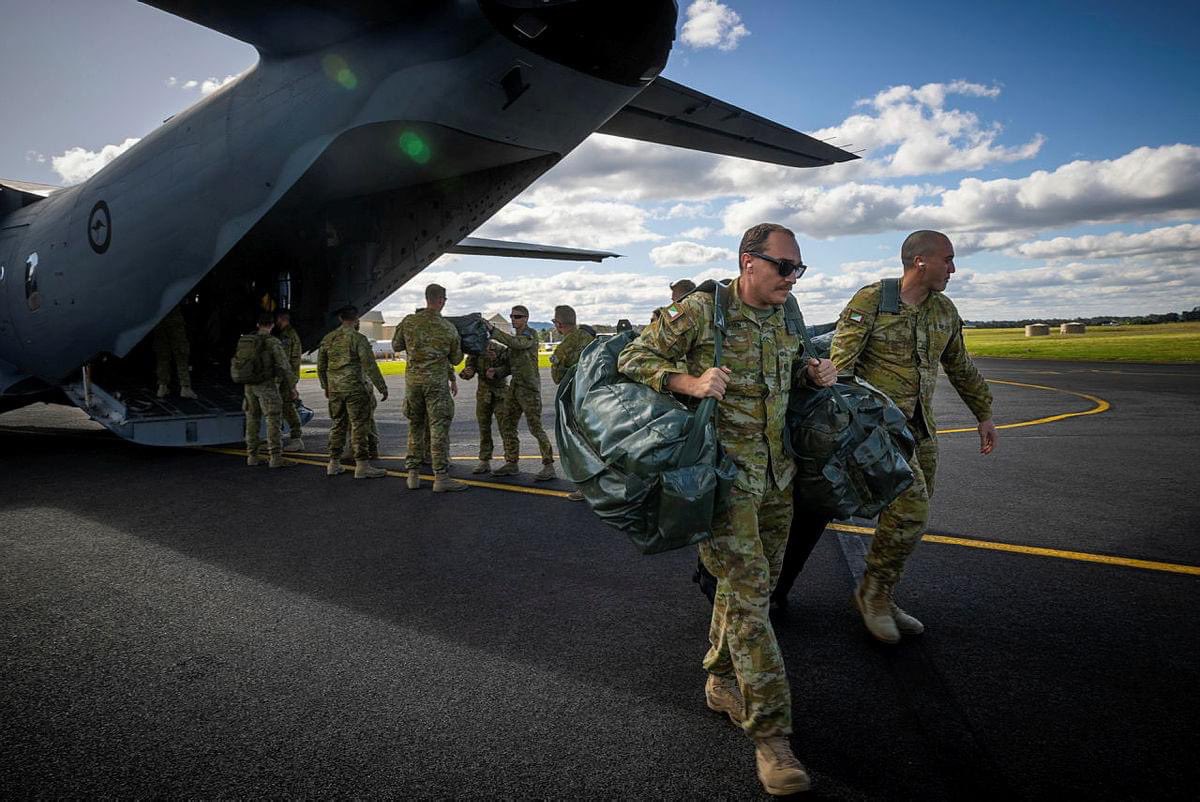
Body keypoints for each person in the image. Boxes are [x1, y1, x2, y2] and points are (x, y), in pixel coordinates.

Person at [618, 222, 836, 797]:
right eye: (784, 266)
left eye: (799, 268)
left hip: (776, 479)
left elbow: (791, 378)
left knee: (748, 593)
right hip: (721, 481)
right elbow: (632, 359)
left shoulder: (788, 317)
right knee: (748, 595)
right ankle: (772, 736)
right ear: (749, 263)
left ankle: (718, 680)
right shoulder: (699, 312)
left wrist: (816, 376)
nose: (793, 277)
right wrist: (687, 381)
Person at [831, 229, 997, 644]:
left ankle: (882, 593)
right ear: (921, 261)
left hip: (921, 430)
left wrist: (984, 413)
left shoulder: (943, 310)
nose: (954, 269)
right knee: (912, 511)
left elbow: (960, 366)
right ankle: (872, 593)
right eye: (949, 259)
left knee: (907, 518)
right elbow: (840, 368)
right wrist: (849, 431)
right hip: (879, 432)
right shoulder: (872, 301)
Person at [393, 284, 468, 493]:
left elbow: (396, 346)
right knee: (438, 428)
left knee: (415, 426)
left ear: (426, 298)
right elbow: (455, 358)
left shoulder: (408, 322)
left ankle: (413, 475)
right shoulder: (448, 328)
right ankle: (441, 477)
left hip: (413, 384)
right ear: (442, 300)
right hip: (435, 385)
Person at [318, 305, 389, 480]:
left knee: (338, 425)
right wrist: (382, 387)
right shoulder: (358, 339)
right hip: (355, 389)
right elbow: (369, 365)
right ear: (356, 319)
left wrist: (326, 386)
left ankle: (333, 463)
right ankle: (362, 465)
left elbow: (321, 367)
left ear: (340, 319)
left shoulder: (328, 339)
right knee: (359, 426)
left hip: (335, 390)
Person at [487, 305, 556, 481]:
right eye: (512, 316)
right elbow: (511, 366)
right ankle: (511, 462)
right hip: (515, 387)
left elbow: (516, 344)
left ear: (526, 318)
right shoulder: (515, 339)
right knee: (507, 424)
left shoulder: (529, 335)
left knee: (535, 427)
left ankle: (548, 466)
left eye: (517, 317)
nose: (513, 319)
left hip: (529, 389)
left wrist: (493, 330)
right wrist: (497, 372)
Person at [549, 304, 595, 500]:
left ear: (559, 324)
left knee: (579, 445)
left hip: (576, 400)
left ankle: (585, 489)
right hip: (595, 397)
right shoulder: (590, 337)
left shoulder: (563, 348)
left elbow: (557, 377)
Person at [243, 311, 298, 469]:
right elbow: (284, 365)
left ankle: (252, 456)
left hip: (249, 385)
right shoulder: (273, 342)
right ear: (272, 325)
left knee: (252, 419)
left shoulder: (248, 340)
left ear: (257, 325)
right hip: (266, 385)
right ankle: (275, 457)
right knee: (273, 419)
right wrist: (292, 386)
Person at [459, 340, 511, 474]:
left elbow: (510, 367)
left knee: (506, 428)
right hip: (483, 395)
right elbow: (468, 370)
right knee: (484, 428)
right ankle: (484, 460)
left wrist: (497, 369)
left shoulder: (500, 349)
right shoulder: (475, 350)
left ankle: (511, 462)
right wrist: (467, 372)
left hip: (500, 394)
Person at [274, 309, 305, 452]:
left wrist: (290, 384)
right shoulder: (290, 334)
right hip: (288, 377)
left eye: (277, 319)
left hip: (286, 378)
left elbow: (284, 361)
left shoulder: (287, 336)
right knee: (285, 407)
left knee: (288, 408)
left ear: (281, 319)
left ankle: (296, 438)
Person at [153, 305, 196, 399]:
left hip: (159, 318)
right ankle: (185, 387)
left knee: (163, 355)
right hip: (174, 319)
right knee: (181, 354)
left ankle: (162, 386)